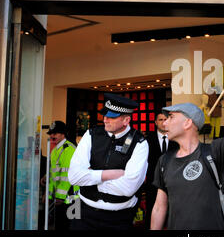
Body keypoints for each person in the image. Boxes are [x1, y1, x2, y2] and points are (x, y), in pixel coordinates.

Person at [151, 57, 224, 230]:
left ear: (187, 123)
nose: (165, 123)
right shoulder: (164, 161)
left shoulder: (213, 152)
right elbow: (159, 207)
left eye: (171, 117)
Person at [68, 93, 149, 230]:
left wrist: (90, 178)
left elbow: (128, 187)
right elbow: (74, 177)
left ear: (126, 120)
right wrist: (110, 174)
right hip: (83, 213)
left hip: (118, 218)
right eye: (104, 115)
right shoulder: (91, 134)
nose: (105, 120)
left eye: (111, 117)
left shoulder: (139, 142)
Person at [144, 112, 178, 229]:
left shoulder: (176, 140)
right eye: (160, 120)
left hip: (173, 182)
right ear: (155, 122)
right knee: (152, 210)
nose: (163, 122)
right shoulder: (147, 140)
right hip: (152, 182)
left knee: (172, 212)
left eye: (165, 119)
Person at [43, 121, 79, 230]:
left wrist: (59, 196)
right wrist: (48, 193)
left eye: (55, 133)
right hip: (61, 197)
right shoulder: (55, 150)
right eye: (51, 133)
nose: (52, 136)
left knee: (70, 226)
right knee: (59, 225)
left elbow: (67, 175)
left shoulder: (69, 149)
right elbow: (55, 173)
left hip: (71, 197)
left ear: (63, 134)